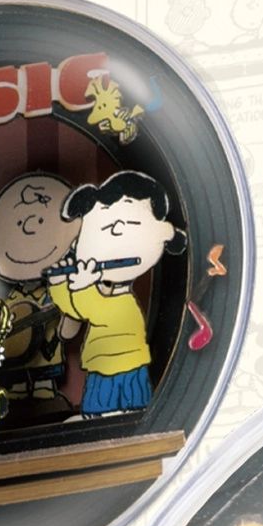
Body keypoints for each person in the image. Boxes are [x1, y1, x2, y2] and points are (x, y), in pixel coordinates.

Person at [45, 170, 185, 418]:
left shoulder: (123, 304)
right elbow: (74, 308)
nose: (118, 231)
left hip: (124, 369)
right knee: (98, 419)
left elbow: (93, 310)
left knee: (127, 417)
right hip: (101, 368)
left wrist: (82, 285)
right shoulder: (94, 290)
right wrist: (58, 283)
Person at [0, 172, 82, 398]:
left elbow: (69, 323)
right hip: (12, 359)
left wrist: (72, 318)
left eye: (41, 221)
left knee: (45, 392)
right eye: (20, 223)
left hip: (47, 356)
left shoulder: (56, 291)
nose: (30, 228)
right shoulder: (6, 295)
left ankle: (44, 389)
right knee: (15, 389)